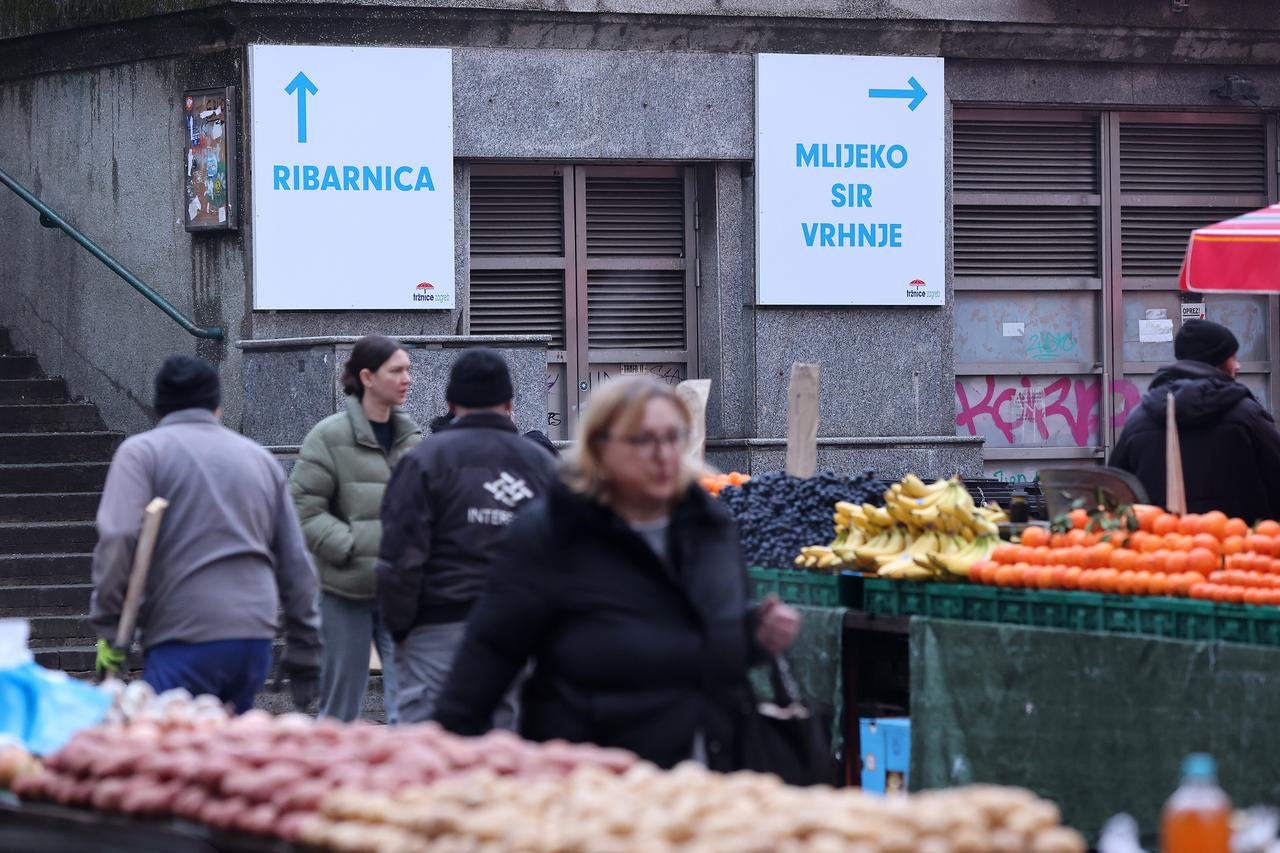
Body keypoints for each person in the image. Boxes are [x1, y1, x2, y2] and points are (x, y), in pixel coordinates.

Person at [433, 376, 801, 771]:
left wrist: (752, 636)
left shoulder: (710, 526)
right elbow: (491, 652)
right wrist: (444, 759)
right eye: (643, 440)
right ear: (601, 447)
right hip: (595, 781)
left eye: (673, 437)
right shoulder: (554, 533)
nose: (663, 454)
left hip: (706, 782)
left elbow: (704, 635)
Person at [90, 355, 321, 713]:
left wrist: (109, 627)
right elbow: (294, 557)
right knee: (224, 750)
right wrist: (305, 641)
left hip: (183, 633)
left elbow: (119, 536)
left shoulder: (142, 453)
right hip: (253, 636)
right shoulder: (259, 459)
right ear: (218, 406)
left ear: (159, 407)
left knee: (174, 747)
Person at [376, 348, 556, 724]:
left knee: (429, 755)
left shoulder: (424, 460)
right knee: (506, 756)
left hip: (438, 628)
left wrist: (399, 627)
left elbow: (399, 555)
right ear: (509, 403)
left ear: (451, 402)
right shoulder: (542, 465)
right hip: (519, 631)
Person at [289, 335, 421, 722]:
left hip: (402, 591)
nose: (407, 378)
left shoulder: (410, 440)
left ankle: (403, 780)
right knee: (340, 707)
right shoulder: (328, 436)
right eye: (396, 370)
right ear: (367, 376)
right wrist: (351, 547)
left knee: (410, 706)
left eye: (408, 369)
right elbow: (303, 507)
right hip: (345, 590)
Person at [1110, 318, 1280, 522]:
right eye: (1232, 357)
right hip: (1241, 545)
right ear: (1217, 360)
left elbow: (1115, 491)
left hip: (1161, 545)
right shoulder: (1247, 415)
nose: (1238, 365)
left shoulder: (1140, 418)